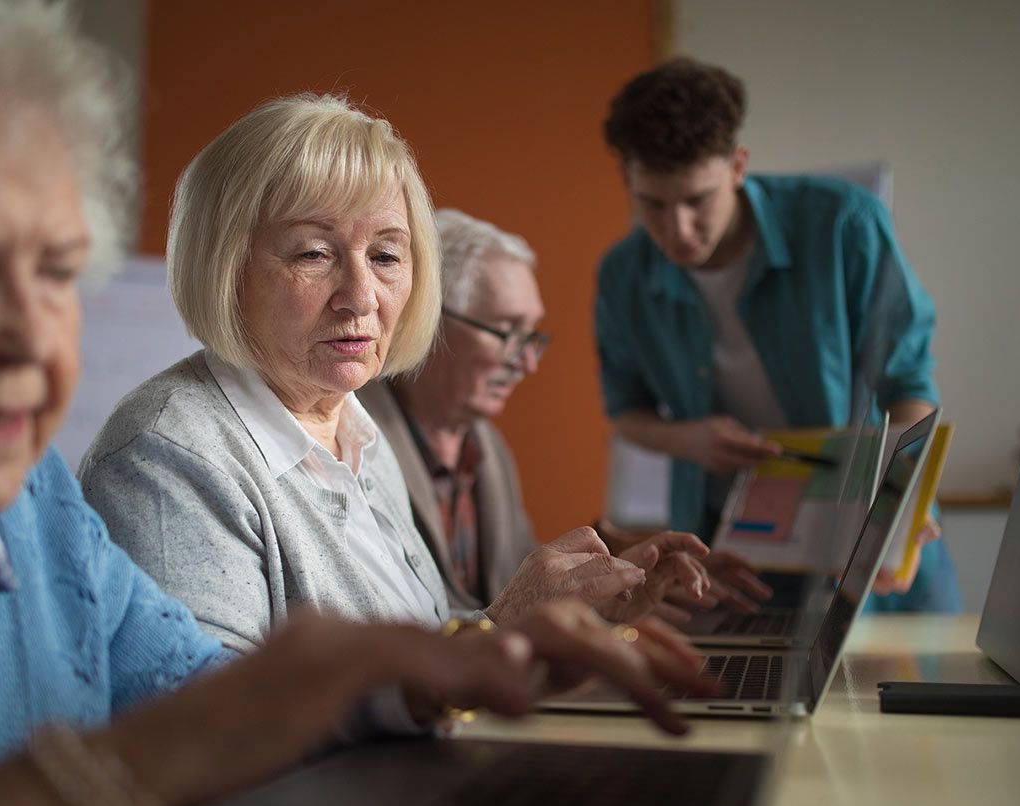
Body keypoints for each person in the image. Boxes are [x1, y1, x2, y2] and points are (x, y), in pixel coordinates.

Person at [0, 4, 713, 806]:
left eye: (55, 271)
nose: (31, 342)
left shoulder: (29, 503)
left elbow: (222, 701)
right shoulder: (163, 452)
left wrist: (453, 667)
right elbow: (191, 742)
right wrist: (128, 774)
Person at [79, 95, 719, 671]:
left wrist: (572, 618)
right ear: (224, 267)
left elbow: (424, 645)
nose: (361, 297)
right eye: (312, 253)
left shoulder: (355, 430)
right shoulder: (168, 458)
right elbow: (210, 735)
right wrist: (499, 634)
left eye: (386, 256)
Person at [594, 57, 960, 612]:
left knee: (907, 688)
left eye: (698, 200)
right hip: (731, 550)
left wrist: (900, 501)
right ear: (628, 180)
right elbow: (627, 412)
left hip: (862, 521)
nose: (678, 231)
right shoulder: (623, 275)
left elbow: (907, 379)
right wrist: (689, 439)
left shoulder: (842, 223)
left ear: (738, 166)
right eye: (653, 205)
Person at [359, 208, 770, 616]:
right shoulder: (350, 443)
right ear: (427, 319)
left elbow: (513, 592)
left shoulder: (485, 445)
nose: (527, 363)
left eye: (531, 335)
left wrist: (622, 573)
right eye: (506, 332)